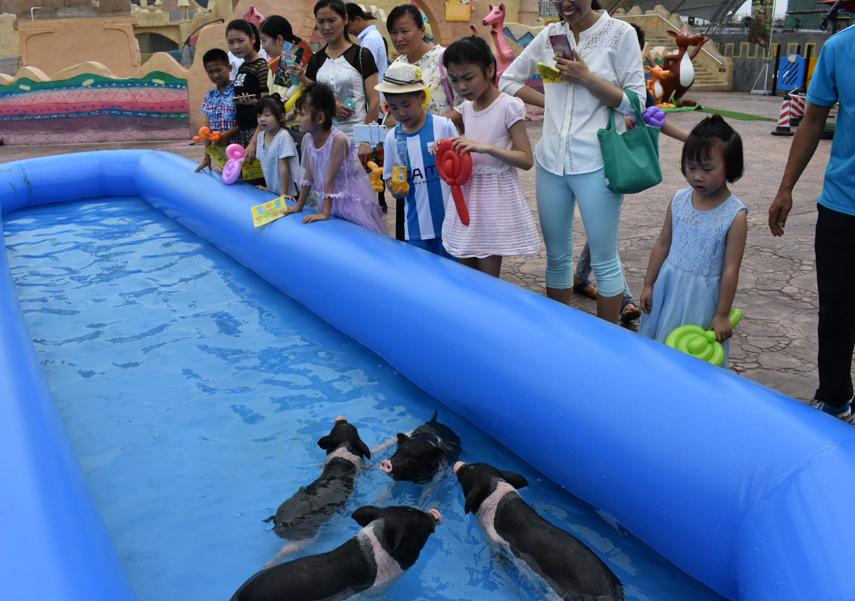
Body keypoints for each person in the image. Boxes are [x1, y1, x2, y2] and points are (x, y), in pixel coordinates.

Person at [499, 0, 645, 323]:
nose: (565, 3)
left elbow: (636, 103)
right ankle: (560, 338)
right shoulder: (550, 35)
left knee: (605, 261)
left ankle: (605, 347)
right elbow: (507, 80)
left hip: (597, 162)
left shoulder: (619, 34)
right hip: (551, 162)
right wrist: (552, 93)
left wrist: (586, 78)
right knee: (557, 258)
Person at [573, 21, 690, 324]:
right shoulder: (594, 75)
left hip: (618, 166)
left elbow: (654, 119)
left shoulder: (636, 83)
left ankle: (580, 275)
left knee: (602, 233)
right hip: (588, 163)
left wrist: (693, 140)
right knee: (604, 237)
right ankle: (623, 298)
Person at [767, 26, 855, 420]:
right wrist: (785, 189)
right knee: (836, 308)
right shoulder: (840, 48)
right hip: (842, 204)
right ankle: (834, 400)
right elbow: (812, 120)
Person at [639, 116, 747, 367]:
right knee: (660, 351)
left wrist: (722, 315)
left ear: (729, 167)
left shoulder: (735, 215)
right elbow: (663, 244)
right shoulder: (678, 200)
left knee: (692, 358)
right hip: (669, 288)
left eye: (707, 169)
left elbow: (731, 269)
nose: (697, 176)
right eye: (690, 167)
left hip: (703, 299)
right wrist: (648, 283)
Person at [440, 37, 540, 277]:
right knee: (465, 272)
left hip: (494, 202)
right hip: (467, 196)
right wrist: (445, 148)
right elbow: (456, 139)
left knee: (487, 277)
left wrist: (486, 148)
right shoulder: (465, 108)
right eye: (454, 80)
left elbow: (526, 159)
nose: (462, 87)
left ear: (490, 69)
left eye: (468, 77)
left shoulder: (509, 106)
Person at [376, 62, 459, 256]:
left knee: (453, 278)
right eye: (394, 108)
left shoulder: (443, 126)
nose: (401, 113)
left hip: (451, 226)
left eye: (406, 105)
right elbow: (389, 178)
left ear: (422, 97)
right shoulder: (392, 138)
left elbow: (461, 166)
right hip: (415, 229)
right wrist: (395, 188)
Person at [283, 83, 386, 234]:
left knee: (355, 235)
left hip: (348, 199)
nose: (298, 118)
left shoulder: (338, 140)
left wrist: (325, 213)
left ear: (320, 118)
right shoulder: (309, 139)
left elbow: (329, 178)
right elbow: (308, 176)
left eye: (302, 114)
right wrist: (299, 206)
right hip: (329, 197)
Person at [303, 0, 380, 164]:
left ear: (345, 19)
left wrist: (366, 141)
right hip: (325, 138)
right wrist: (330, 104)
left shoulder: (361, 55)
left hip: (357, 141)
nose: (326, 27)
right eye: (321, 21)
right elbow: (310, 99)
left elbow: (374, 102)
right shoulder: (316, 59)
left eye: (331, 20)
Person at [385, 4, 462, 131]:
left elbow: (465, 107)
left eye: (404, 31)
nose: (399, 38)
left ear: (421, 31)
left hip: (445, 143)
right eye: (394, 33)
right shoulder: (395, 68)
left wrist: (427, 127)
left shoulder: (446, 58)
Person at [227, 19, 269, 147]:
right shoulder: (243, 67)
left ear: (252, 39)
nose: (236, 46)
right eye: (231, 42)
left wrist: (254, 141)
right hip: (243, 130)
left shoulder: (261, 66)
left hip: (257, 131)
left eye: (240, 41)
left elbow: (267, 105)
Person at [195, 49, 238, 173]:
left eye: (218, 70)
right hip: (220, 154)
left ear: (229, 68)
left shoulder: (238, 91)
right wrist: (207, 157)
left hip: (240, 151)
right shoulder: (209, 96)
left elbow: (247, 121)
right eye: (210, 72)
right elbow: (206, 130)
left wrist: (228, 134)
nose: (215, 75)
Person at [345, 2, 388, 115]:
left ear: (358, 19)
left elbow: (365, 73)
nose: (348, 32)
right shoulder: (372, 36)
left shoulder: (369, 40)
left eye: (348, 26)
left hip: (376, 103)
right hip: (378, 99)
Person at [254, 95, 300, 196]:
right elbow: (264, 165)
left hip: (288, 195)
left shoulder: (283, 136)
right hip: (273, 192)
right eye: (259, 115)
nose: (262, 119)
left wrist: (284, 194)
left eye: (267, 115)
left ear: (281, 117)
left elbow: (284, 167)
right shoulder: (261, 136)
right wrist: (268, 188)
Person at [259, 15, 313, 99]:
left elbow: (282, 97)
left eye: (264, 40)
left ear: (279, 39)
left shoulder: (290, 56)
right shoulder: (289, 53)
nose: (262, 46)